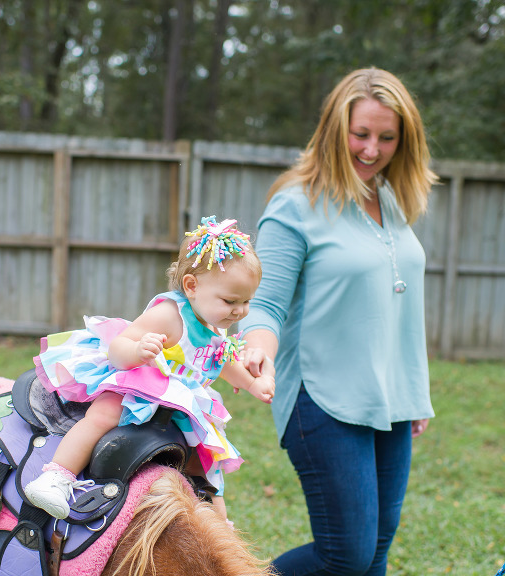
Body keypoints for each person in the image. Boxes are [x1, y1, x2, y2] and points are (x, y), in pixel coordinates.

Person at [238, 67, 437, 575]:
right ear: (334, 130)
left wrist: (411, 390)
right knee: (346, 556)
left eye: (387, 137)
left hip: (389, 400)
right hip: (322, 400)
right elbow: (265, 304)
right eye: (361, 134)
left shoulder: (389, 200)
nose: (372, 149)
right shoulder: (296, 204)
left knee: (374, 554)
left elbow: (395, 306)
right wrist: (256, 347)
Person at [24, 216, 275, 520]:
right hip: (141, 381)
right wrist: (138, 350)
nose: (239, 310)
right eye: (231, 300)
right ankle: (57, 476)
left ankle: (219, 524)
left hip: (182, 402)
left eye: (247, 301)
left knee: (205, 458)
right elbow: (117, 348)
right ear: (191, 286)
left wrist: (252, 384)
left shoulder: (216, 325)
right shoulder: (169, 315)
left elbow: (222, 362)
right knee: (103, 415)